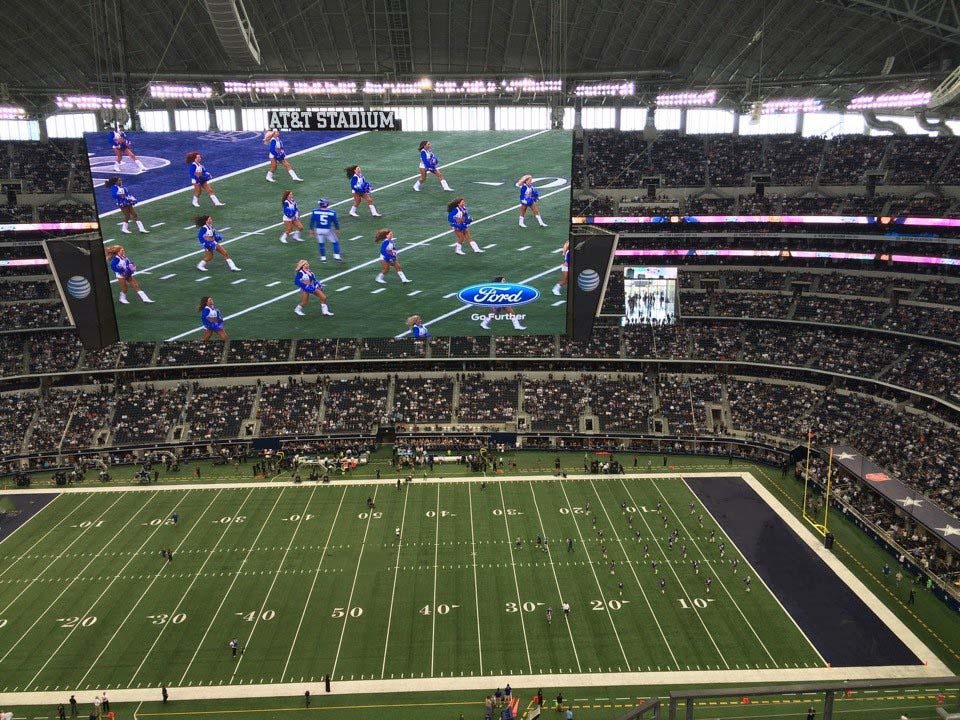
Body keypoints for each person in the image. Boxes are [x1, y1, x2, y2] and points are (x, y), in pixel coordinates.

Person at [310, 198, 342, 262]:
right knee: (335, 242)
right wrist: (337, 229)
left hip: (318, 230)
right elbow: (335, 222)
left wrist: (311, 230)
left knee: (321, 244)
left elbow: (312, 221)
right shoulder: (332, 213)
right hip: (327, 230)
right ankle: (337, 256)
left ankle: (323, 258)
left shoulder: (315, 211)